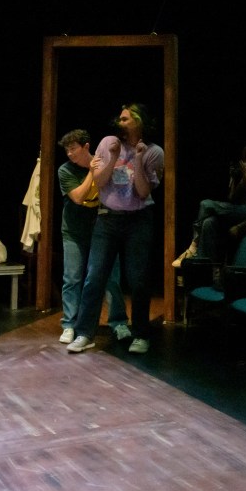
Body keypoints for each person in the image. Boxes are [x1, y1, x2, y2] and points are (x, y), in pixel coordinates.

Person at [66, 103, 164, 354]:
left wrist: (138, 158)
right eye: (120, 118)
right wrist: (113, 156)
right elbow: (99, 181)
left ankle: (140, 335)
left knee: (138, 280)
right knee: (95, 276)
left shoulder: (154, 152)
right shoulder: (108, 142)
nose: (119, 122)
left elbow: (142, 192)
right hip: (108, 218)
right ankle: (84, 333)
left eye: (125, 119)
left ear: (139, 121)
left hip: (138, 220)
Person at [56, 129, 130, 345]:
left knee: (111, 279)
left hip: (103, 232)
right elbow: (78, 197)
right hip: (74, 231)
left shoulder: (105, 164)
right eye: (67, 150)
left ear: (86, 146)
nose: (69, 154)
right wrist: (92, 171)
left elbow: (122, 188)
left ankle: (119, 323)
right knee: (72, 278)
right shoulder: (65, 170)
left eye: (73, 149)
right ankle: (69, 324)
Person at [173, 140, 246, 266]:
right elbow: (232, 198)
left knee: (205, 204)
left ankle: (193, 246)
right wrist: (234, 179)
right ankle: (208, 266)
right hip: (244, 209)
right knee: (208, 222)